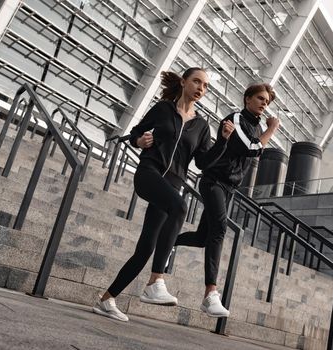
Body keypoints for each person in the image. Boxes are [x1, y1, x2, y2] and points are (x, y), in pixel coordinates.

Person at [92, 67, 235, 322]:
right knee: (180, 207)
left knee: (145, 248)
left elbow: (202, 162)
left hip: (172, 184)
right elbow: (136, 131)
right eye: (196, 82)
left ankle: (107, 299)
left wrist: (223, 141)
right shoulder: (163, 109)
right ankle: (156, 280)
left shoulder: (202, 126)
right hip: (149, 173)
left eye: (205, 86)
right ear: (183, 82)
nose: (201, 88)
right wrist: (139, 141)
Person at [174, 83, 279, 318]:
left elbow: (254, 149)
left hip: (229, 186)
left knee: (203, 238)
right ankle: (210, 294)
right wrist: (272, 130)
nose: (264, 103)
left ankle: (169, 240)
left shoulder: (256, 125)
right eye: (260, 98)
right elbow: (253, 149)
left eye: (267, 101)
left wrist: (264, 131)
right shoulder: (236, 119)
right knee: (220, 228)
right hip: (214, 181)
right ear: (247, 98)